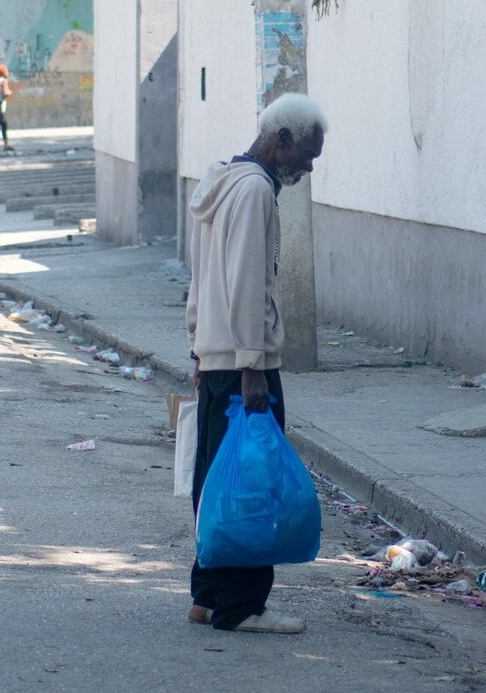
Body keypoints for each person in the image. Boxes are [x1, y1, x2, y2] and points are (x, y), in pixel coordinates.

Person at [184, 93, 327, 634]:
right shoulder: (253, 192)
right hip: (244, 362)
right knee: (250, 484)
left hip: (218, 355)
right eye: (306, 154)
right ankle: (241, 606)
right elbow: (246, 282)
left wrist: (200, 345)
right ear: (280, 140)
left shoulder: (224, 182)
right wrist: (251, 366)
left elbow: (200, 279)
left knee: (218, 477)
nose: (307, 167)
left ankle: (207, 594)